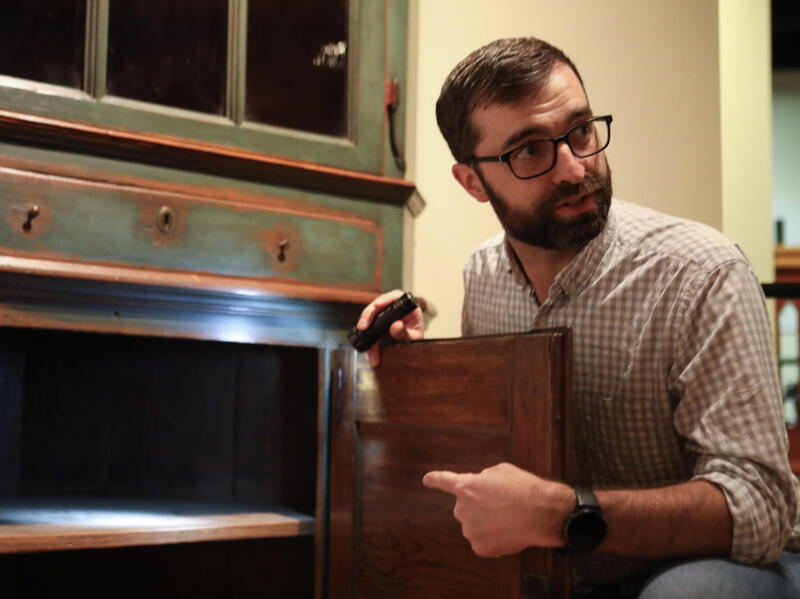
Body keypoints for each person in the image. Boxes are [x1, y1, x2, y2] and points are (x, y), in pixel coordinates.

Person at [355, 37, 800, 597]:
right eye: (529, 151)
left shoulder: (702, 273)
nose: (573, 167)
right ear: (472, 181)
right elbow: (501, 463)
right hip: (565, 569)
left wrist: (564, 512)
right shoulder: (483, 278)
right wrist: (422, 370)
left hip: (718, 568)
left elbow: (761, 511)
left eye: (581, 130)